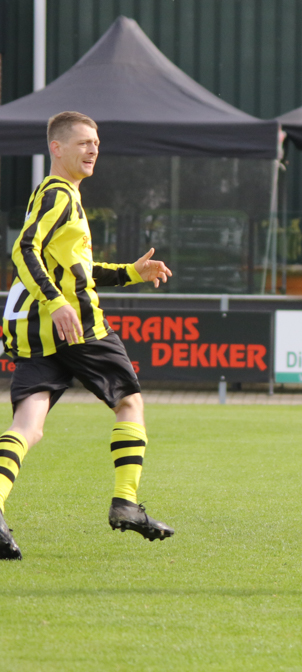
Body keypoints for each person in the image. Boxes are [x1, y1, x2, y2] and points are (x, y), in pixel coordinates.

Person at [0, 112, 175, 561]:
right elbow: (23, 249)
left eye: (96, 142)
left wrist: (130, 272)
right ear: (56, 148)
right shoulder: (58, 194)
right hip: (76, 324)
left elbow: (75, 268)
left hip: (36, 329)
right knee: (129, 402)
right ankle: (126, 503)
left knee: (28, 425)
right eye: (83, 142)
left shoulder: (55, 194)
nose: (93, 149)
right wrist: (57, 302)